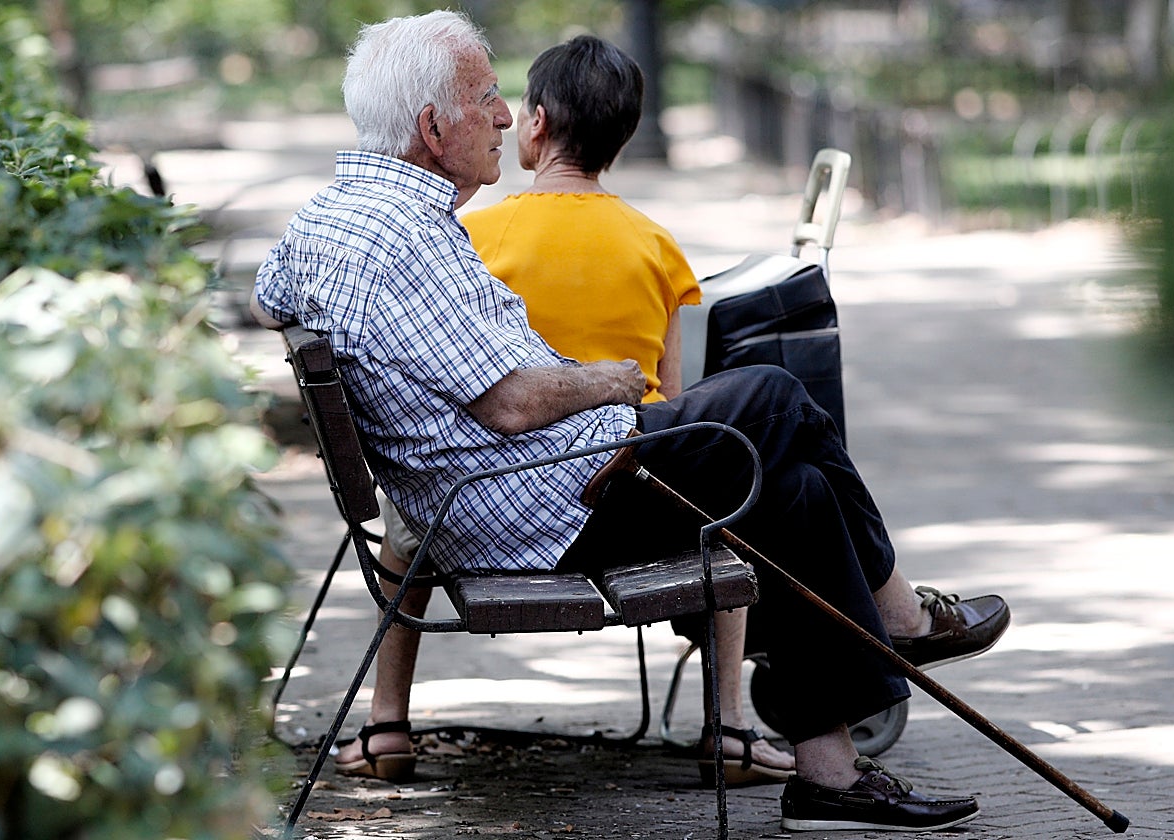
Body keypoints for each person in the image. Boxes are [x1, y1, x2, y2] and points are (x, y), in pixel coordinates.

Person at [252, 11, 1009, 832]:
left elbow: (269, 296)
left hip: (520, 490)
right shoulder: (403, 239)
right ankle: (900, 615)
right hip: (543, 506)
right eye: (487, 97)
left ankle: (827, 778)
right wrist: (608, 381)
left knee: (793, 491)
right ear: (434, 127)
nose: (506, 115)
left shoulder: (333, 216)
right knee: (777, 395)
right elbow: (507, 405)